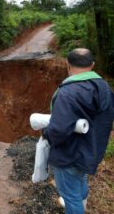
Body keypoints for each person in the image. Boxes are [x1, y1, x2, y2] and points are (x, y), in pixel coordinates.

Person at [42, 48, 114, 214]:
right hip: (91, 150)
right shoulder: (104, 87)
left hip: (69, 155)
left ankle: (76, 207)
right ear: (93, 65)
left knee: (70, 195)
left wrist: (46, 133)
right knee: (80, 181)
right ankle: (82, 205)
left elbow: (59, 130)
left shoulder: (67, 93)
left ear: (67, 64)